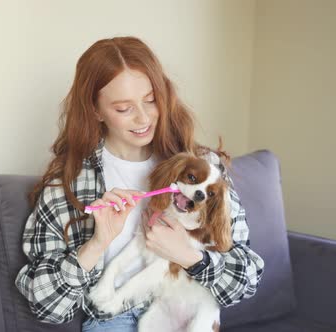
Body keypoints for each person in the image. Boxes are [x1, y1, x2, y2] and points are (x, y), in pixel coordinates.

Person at [14, 36, 264, 332]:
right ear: (95, 111)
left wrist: (189, 257)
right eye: (123, 108)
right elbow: (45, 306)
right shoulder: (68, 185)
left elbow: (247, 280)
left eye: (150, 100)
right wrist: (97, 243)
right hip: (113, 318)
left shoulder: (201, 169)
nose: (144, 117)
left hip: (189, 310)